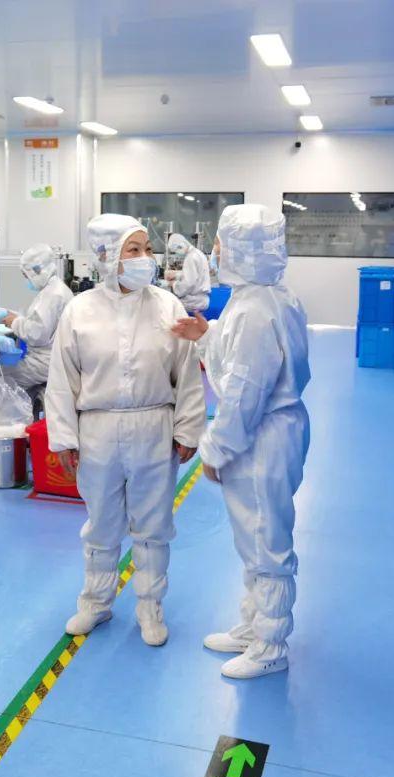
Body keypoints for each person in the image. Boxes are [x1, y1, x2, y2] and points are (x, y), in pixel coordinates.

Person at [46, 213, 205, 646]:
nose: (145, 258)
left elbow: (187, 373)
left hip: (155, 426)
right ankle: (95, 602)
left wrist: (188, 429)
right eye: (133, 250)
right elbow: (62, 380)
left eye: (147, 249)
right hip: (97, 429)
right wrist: (63, 436)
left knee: (153, 525)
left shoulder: (167, 306)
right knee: (101, 522)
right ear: (107, 256)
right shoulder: (79, 310)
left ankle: (150, 608)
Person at [172, 203, 310, 679]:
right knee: (253, 537)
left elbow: (243, 393)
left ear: (241, 249)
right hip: (270, 429)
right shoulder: (265, 298)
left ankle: (270, 646)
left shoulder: (254, 310)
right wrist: (205, 335)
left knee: (265, 541)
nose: (215, 252)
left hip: (261, 436)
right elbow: (237, 359)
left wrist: (215, 449)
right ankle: (254, 627)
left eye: (220, 244)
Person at [0, 244, 73, 423]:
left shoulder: (52, 295)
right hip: (53, 359)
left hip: (45, 362)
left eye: (26, 276)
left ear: (37, 271)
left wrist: (14, 321)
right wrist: (17, 318)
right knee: (9, 373)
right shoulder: (55, 289)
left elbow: (37, 334)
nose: (26, 281)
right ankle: (19, 420)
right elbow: (41, 323)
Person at [165, 233, 211, 312]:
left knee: (168, 307)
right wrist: (176, 275)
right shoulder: (198, 253)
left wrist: (173, 284)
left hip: (193, 301)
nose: (177, 253)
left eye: (176, 250)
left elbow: (188, 284)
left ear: (181, 246)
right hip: (201, 299)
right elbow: (195, 275)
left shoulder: (190, 258)